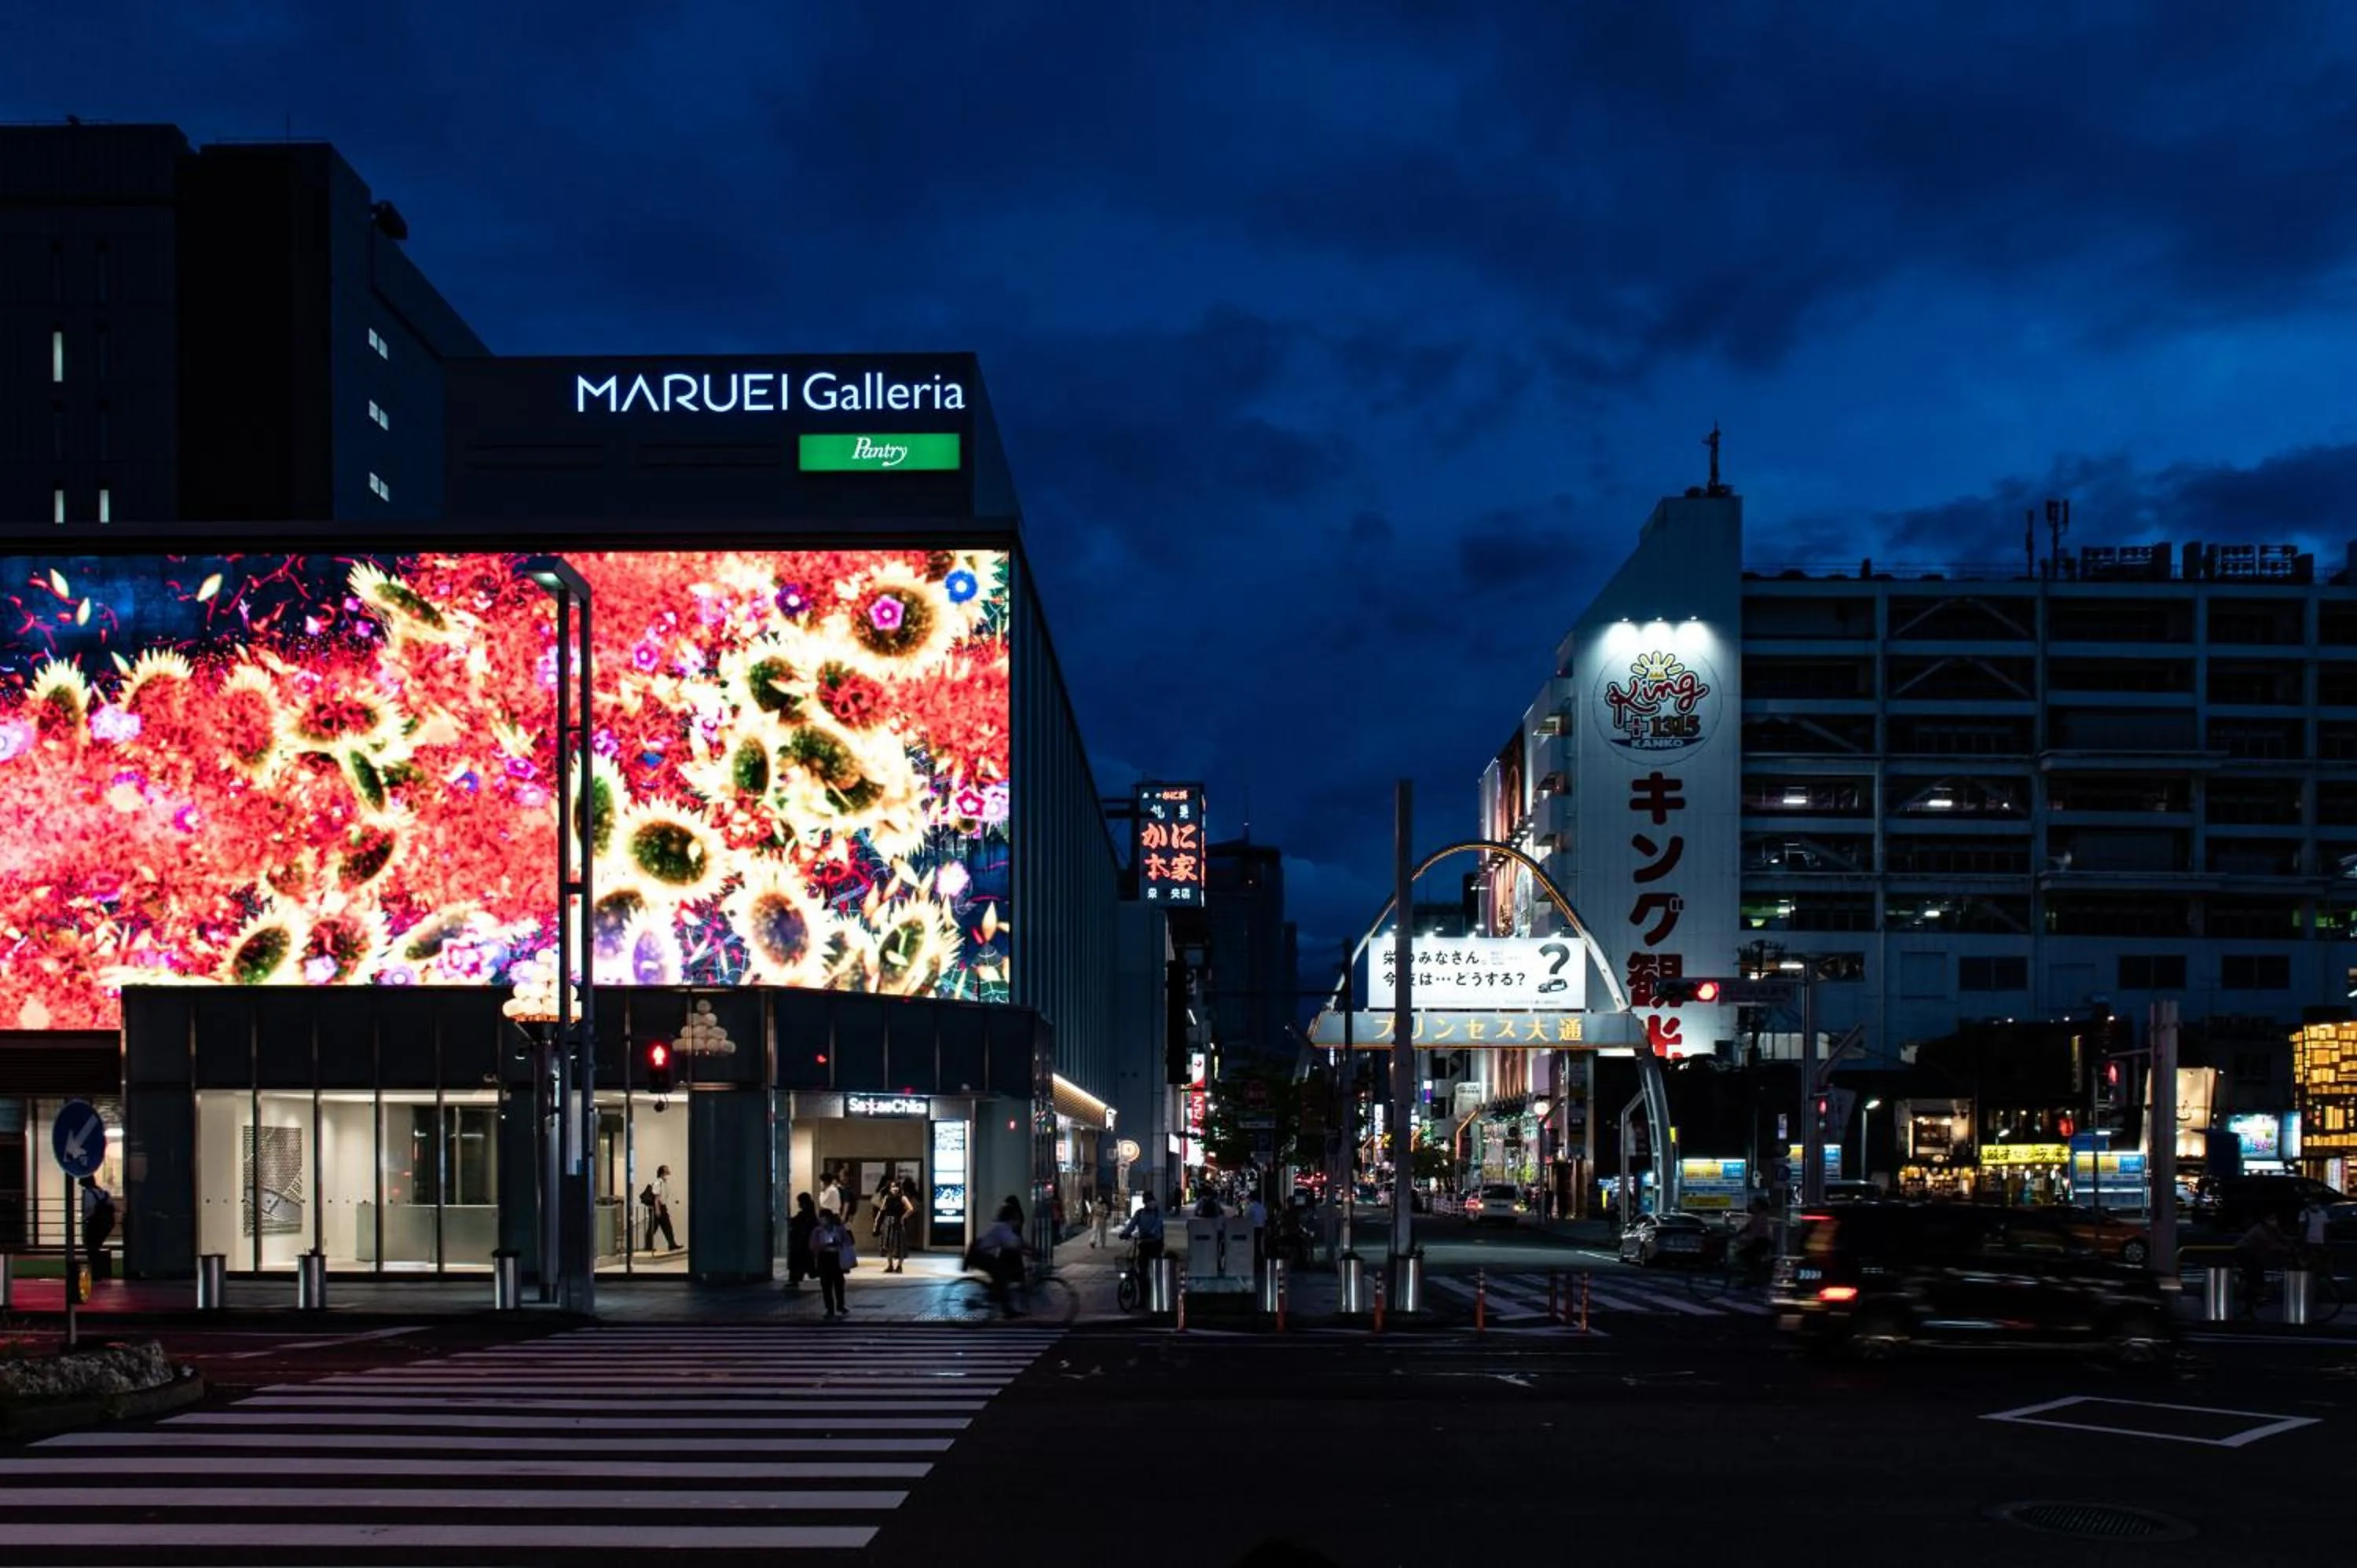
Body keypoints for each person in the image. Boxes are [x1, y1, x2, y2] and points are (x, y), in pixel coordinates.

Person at [973, 1199, 1028, 1316]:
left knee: (1001, 1277)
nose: (1017, 1218)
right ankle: (1007, 1310)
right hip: (981, 1256)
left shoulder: (1002, 1226)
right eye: (1015, 1216)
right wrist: (1030, 1250)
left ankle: (1000, 1301)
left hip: (984, 1255)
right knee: (1002, 1278)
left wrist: (1026, 1248)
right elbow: (1013, 1243)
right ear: (1011, 1216)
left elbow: (1014, 1242)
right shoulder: (1002, 1227)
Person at [2235, 1212, 2292, 1317]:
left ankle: (2254, 1299)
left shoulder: (2273, 1229)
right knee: (2254, 1277)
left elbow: (2282, 1237)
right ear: (2265, 1220)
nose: (2274, 1222)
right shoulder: (2259, 1230)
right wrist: (2287, 1249)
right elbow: (2271, 1244)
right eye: (2271, 1219)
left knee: (2258, 1276)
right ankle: (2250, 1304)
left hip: (2255, 1254)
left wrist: (2290, 1243)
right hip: (2245, 1253)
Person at [812, 1203, 854, 1321]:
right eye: (821, 1218)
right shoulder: (818, 1231)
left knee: (838, 1283)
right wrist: (822, 1245)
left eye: (823, 1217)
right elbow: (813, 1245)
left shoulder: (839, 1229)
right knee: (826, 1284)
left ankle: (840, 1305)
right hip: (824, 1257)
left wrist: (838, 1243)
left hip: (836, 1257)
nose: (822, 1220)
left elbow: (848, 1241)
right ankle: (830, 1308)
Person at [79, 1174, 115, 1282]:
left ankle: (96, 1273)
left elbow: (89, 1209)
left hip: (93, 1223)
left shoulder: (89, 1193)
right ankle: (98, 1272)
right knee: (95, 1247)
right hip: (105, 1224)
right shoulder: (103, 1193)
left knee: (91, 1248)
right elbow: (111, 1206)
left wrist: (85, 1219)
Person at [1119, 1191, 1167, 1269]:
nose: (1150, 1204)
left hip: (1155, 1243)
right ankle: (1143, 1278)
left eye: (1151, 1201)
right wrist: (1125, 1233)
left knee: (1155, 1263)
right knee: (1142, 1263)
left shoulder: (1157, 1213)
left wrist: (1152, 1232)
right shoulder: (1140, 1213)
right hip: (1144, 1241)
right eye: (1147, 1202)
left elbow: (1158, 1224)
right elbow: (1132, 1224)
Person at [785, 1192, 818, 1291]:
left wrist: (792, 1222)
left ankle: (795, 1279)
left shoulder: (805, 1215)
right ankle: (797, 1277)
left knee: (797, 1261)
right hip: (804, 1242)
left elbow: (798, 1224)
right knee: (804, 1262)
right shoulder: (810, 1213)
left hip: (800, 1242)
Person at [642, 1165, 679, 1252]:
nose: (669, 1171)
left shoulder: (664, 1182)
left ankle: (672, 1244)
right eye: (667, 1170)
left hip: (662, 1207)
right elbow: (656, 1198)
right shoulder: (658, 1182)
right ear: (662, 1172)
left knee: (667, 1227)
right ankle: (648, 1247)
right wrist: (657, 1210)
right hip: (657, 1207)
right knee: (652, 1228)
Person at [881, 1178, 913, 1273]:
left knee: (900, 1245)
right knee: (888, 1245)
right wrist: (882, 1222)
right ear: (890, 1188)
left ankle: (899, 1266)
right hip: (888, 1222)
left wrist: (903, 1217)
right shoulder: (887, 1197)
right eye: (893, 1187)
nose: (895, 1189)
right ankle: (890, 1265)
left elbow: (910, 1209)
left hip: (898, 1222)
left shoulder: (903, 1198)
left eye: (897, 1187)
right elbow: (883, 1209)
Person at [871, 1171, 893, 1239]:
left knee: (882, 1228)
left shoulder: (879, 1189)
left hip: (878, 1209)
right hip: (884, 1211)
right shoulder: (885, 1190)